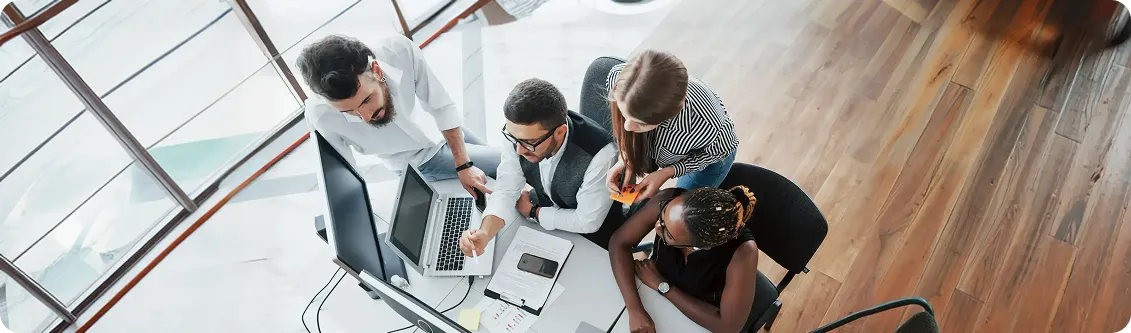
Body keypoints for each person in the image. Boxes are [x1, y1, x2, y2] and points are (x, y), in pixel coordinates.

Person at [297, 34, 498, 198]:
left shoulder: (398, 51)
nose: (365, 117)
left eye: (366, 100)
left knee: (508, 165)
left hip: (440, 128)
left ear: (377, 71)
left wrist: (463, 164)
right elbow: (345, 174)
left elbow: (441, 106)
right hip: (419, 161)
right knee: (507, 162)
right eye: (349, 112)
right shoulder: (320, 115)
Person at [459, 78, 622, 254]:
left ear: (560, 132)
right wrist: (485, 233)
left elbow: (588, 222)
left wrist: (534, 212)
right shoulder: (518, 135)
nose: (519, 150)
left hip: (593, 236)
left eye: (529, 142)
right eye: (514, 139)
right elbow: (506, 189)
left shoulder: (601, 156)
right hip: (545, 216)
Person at [608, 186, 759, 333]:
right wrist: (634, 309)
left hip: (697, 315)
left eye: (668, 235)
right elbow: (619, 242)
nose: (657, 226)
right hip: (650, 292)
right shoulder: (668, 199)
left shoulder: (743, 252)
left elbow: (728, 327)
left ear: (702, 247)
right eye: (663, 215)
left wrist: (663, 285)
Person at [604, 50, 740, 203]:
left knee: (682, 205)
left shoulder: (708, 124)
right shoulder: (618, 80)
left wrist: (668, 172)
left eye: (641, 123)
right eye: (624, 114)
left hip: (711, 156)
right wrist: (625, 158)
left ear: (672, 115)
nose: (627, 127)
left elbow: (724, 147)